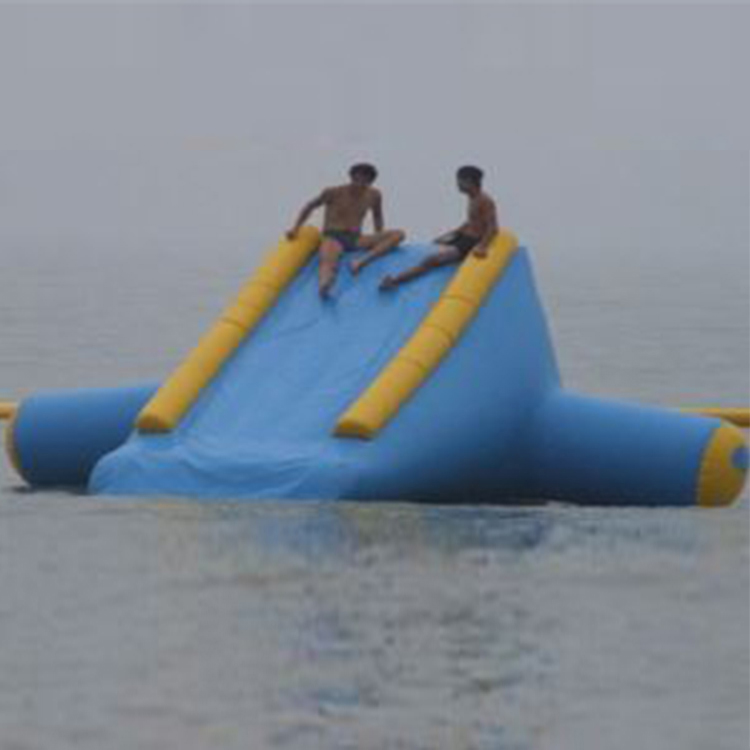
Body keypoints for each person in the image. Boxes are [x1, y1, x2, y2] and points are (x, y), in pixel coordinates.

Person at [286, 163, 405, 298]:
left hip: (356, 238)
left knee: (399, 234)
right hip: (333, 237)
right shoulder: (333, 192)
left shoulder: (374, 195)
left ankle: (361, 261)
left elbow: (377, 216)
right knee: (328, 261)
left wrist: (379, 235)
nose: (360, 184)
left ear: (370, 182)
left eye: (365, 181)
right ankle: (324, 285)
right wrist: (295, 228)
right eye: (358, 179)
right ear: (352, 177)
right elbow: (310, 206)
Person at [379, 165, 498, 290]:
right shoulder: (472, 198)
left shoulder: (485, 200)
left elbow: (493, 227)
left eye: (459, 181)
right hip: (464, 237)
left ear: (469, 181)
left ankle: (395, 281)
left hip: (470, 243)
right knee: (435, 244)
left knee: (431, 260)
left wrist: (482, 246)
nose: (457, 184)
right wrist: (452, 233)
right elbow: (472, 221)